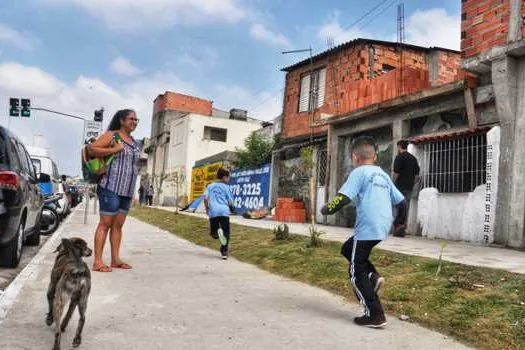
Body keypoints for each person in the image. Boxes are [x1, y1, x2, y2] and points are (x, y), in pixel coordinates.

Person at [321, 136, 407, 328]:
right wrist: (400, 224)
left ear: (354, 157)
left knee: (355, 270)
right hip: (383, 225)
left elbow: (342, 198)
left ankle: (375, 314)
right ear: (375, 157)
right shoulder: (383, 175)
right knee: (348, 248)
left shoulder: (359, 173)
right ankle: (373, 277)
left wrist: (326, 209)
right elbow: (403, 203)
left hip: (367, 226)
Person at [88, 109, 140, 273]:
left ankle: (115, 260)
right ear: (122, 120)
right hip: (110, 187)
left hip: (127, 190)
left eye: (136, 119)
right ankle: (97, 262)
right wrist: (113, 150)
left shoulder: (133, 141)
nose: (134, 122)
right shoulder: (112, 136)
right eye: (131, 119)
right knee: (105, 224)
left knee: (118, 225)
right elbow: (92, 149)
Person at [204, 168, 234, 260]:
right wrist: (232, 209)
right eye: (228, 177)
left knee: (214, 233)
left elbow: (205, 199)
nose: (229, 179)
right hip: (224, 211)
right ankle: (224, 251)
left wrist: (207, 209)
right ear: (224, 177)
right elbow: (230, 201)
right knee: (226, 232)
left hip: (213, 211)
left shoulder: (210, 186)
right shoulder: (226, 187)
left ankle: (216, 233)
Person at [392, 140, 420, 237]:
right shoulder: (413, 159)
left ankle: (395, 229)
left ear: (399, 146)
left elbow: (396, 173)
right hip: (409, 188)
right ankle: (402, 229)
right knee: (405, 208)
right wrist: (411, 183)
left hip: (399, 187)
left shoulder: (399, 157)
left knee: (396, 207)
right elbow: (417, 176)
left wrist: (392, 184)